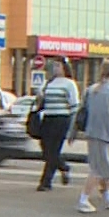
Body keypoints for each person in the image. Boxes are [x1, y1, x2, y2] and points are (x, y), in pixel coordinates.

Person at [77, 59, 109, 214]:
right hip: (105, 133)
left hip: (91, 131)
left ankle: (107, 195)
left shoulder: (91, 90)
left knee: (101, 165)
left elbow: (82, 110)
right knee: (98, 168)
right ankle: (84, 199)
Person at [33, 60, 79, 191]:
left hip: (61, 119)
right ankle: (63, 166)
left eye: (58, 66)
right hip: (48, 118)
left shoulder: (69, 84)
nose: (55, 68)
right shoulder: (49, 83)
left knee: (53, 150)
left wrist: (72, 126)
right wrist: (40, 97)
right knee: (46, 149)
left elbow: (74, 105)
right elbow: (41, 103)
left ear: (65, 68)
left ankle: (46, 182)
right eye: (53, 66)